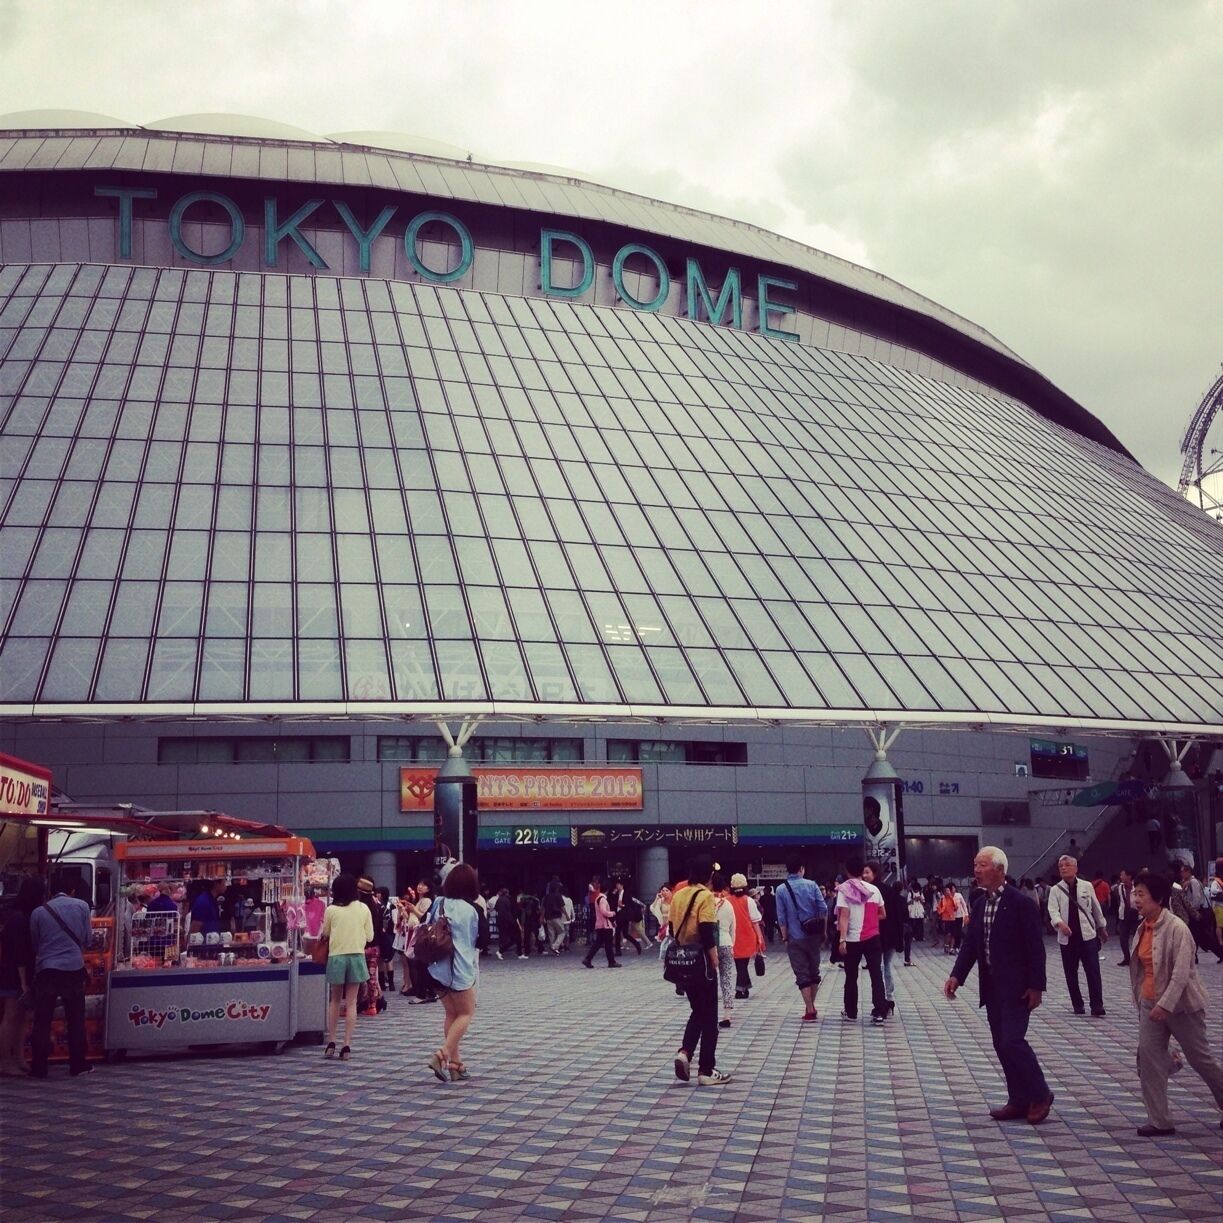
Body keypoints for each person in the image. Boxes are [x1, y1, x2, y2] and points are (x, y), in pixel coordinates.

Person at [944, 847, 1054, 1125]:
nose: (976, 870)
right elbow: (971, 945)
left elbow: (1036, 948)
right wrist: (957, 976)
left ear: (1000, 870)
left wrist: (1036, 986)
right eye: (975, 864)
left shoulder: (1021, 903)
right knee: (1000, 1044)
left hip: (1018, 987)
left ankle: (1040, 1094)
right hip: (992, 987)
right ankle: (1018, 1100)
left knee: (1012, 1040)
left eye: (982, 865)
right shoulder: (980, 903)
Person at [1127, 872, 1223, 1137]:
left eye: (1141, 894)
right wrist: (1143, 1001)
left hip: (1182, 1007)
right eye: (1135, 893)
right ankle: (1159, 1120)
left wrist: (1165, 1004)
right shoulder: (1142, 927)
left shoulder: (1177, 928)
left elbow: (1181, 974)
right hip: (1150, 1004)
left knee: (1200, 1059)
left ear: (1158, 898)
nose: (1136, 899)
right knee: (1149, 1060)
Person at [670, 853, 731, 1086]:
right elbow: (706, 931)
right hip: (701, 961)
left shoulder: (679, 894)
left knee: (698, 1010)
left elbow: (672, 928)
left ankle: (685, 1052)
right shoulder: (705, 896)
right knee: (710, 1017)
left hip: (683, 961)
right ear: (709, 874)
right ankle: (706, 1069)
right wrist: (714, 959)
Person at [28, 875, 94, 1079]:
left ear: (50, 892)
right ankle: (78, 1065)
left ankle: (39, 1067)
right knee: (75, 1018)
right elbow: (87, 939)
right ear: (72, 890)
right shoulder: (82, 907)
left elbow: (35, 944)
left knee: (42, 1020)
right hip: (73, 969)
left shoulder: (38, 912)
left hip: (47, 970)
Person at [425, 863, 483, 1083]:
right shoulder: (472, 910)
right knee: (466, 1013)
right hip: (460, 969)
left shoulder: (438, 903)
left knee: (451, 1014)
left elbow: (425, 925)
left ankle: (456, 1065)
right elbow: (480, 941)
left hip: (437, 967)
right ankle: (441, 1055)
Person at [321, 873, 374, 1060]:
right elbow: (370, 936)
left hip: (336, 956)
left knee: (335, 1001)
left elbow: (325, 933)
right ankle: (346, 1045)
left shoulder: (331, 910)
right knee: (351, 1003)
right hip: (357, 956)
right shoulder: (363, 908)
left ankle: (331, 1042)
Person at [1047, 855, 1108, 1017]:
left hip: (1087, 936)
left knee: (1093, 971)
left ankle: (1097, 1005)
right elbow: (1052, 910)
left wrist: (1102, 927)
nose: (1063, 868)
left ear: (1075, 868)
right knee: (1071, 973)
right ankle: (1077, 1004)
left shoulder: (1087, 886)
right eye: (1061, 866)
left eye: (1067, 865)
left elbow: (1095, 908)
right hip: (1068, 939)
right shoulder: (1055, 890)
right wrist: (1060, 923)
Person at [0, 875, 45, 1076]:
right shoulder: (19, 920)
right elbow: (19, 955)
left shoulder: (19, 917)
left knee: (21, 1017)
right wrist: (24, 982)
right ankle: (5, 1060)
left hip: (18, 974)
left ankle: (18, 1057)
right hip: (15, 975)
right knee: (12, 1016)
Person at [774, 856, 828, 1023]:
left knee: (801, 973)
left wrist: (785, 937)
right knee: (814, 971)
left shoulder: (781, 890)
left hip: (794, 937)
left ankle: (809, 1008)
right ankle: (811, 1006)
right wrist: (823, 931)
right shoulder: (812, 885)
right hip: (813, 936)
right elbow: (823, 909)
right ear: (802, 869)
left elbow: (781, 918)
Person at [835, 856, 887, 1025]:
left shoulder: (844, 890)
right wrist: (869, 921)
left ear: (847, 871)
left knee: (851, 976)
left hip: (852, 940)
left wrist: (842, 940)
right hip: (873, 938)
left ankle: (851, 1012)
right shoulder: (874, 890)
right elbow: (883, 914)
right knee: (876, 975)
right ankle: (879, 1012)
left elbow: (844, 916)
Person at [866, 861, 904, 1015]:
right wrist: (899, 939)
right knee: (886, 966)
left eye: (867, 872)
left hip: (875, 934)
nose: (864, 875)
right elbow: (898, 916)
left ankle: (882, 1001)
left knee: (879, 968)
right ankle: (889, 998)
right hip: (891, 935)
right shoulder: (890, 891)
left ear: (874, 873)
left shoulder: (869, 891)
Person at [726, 874, 764, 1000]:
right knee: (743, 964)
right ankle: (740, 989)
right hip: (748, 936)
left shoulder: (726, 901)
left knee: (739, 964)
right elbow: (755, 921)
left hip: (732, 936)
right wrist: (759, 938)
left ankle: (744, 987)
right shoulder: (749, 900)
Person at [711, 871, 736, 1028]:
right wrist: (732, 945)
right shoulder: (728, 904)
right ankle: (727, 1014)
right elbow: (734, 928)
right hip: (726, 943)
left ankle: (709, 1012)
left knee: (709, 980)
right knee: (726, 979)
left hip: (710, 946)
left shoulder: (705, 902)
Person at [581, 880, 620, 968]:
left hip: (600, 924)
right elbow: (604, 912)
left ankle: (588, 959)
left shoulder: (598, 898)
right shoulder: (602, 899)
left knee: (598, 943)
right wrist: (612, 913)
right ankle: (611, 961)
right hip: (605, 925)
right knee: (608, 944)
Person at [1114, 869, 1139, 966]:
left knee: (1137, 937)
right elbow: (1119, 900)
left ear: (1129, 876)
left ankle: (1138, 958)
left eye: (1123, 875)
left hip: (1136, 914)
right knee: (1123, 938)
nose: (1121, 877)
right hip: (1124, 915)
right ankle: (1127, 958)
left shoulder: (1136, 886)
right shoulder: (1120, 887)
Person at [493, 887, 519, 961]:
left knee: (502, 934)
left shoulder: (499, 899)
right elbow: (508, 911)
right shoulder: (507, 900)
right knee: (510, 935)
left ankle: (502, 946)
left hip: (499, 919)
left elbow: (496, 908)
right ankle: (504, 948)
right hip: (506, 920)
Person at [543, 881, 567, 955]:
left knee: (551, 934)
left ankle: (553, 950)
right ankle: (555, 946)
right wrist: (567, 915)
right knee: (562, 932)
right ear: (556, 888)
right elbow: (562, 907)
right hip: (556, 916)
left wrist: (542, 917)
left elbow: (543, 907)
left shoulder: (546, 896)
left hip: (548, 917)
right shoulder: (558, 895)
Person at [904, 884, 926, 966]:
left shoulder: (920, 893)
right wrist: (914, 899)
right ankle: (912, 935)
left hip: (919, 909)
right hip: (912, 910)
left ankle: (919, 936)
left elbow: (923, 901)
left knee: (919, 924)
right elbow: (908, 902)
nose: (916, 891)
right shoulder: (910, 893)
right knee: (912, 924)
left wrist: (920, 899)